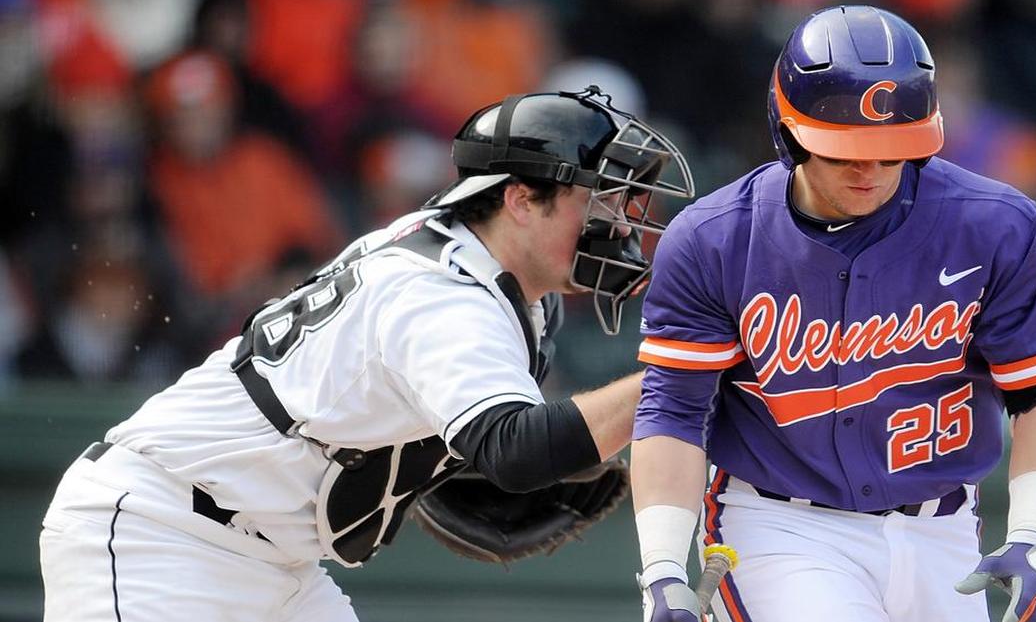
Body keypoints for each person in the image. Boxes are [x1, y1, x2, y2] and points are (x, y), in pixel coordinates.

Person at [39, 86, 695, 621]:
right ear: (522, 200)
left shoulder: (501, 285)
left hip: (274, 562)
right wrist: (677, 373)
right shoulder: (442, 293)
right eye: (599, 198)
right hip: (159, 531)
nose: (621, 221)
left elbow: (475, 448)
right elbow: (515, 449)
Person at [631, 6, 1036, 622]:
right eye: (846, 149)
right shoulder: (713, 238)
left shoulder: (996, 225)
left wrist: (1035, 535)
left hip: (945, 527)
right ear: (789, 130)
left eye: (892, 148)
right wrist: (662, 568)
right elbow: (673, 410)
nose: (870, 169)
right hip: (781, 525)